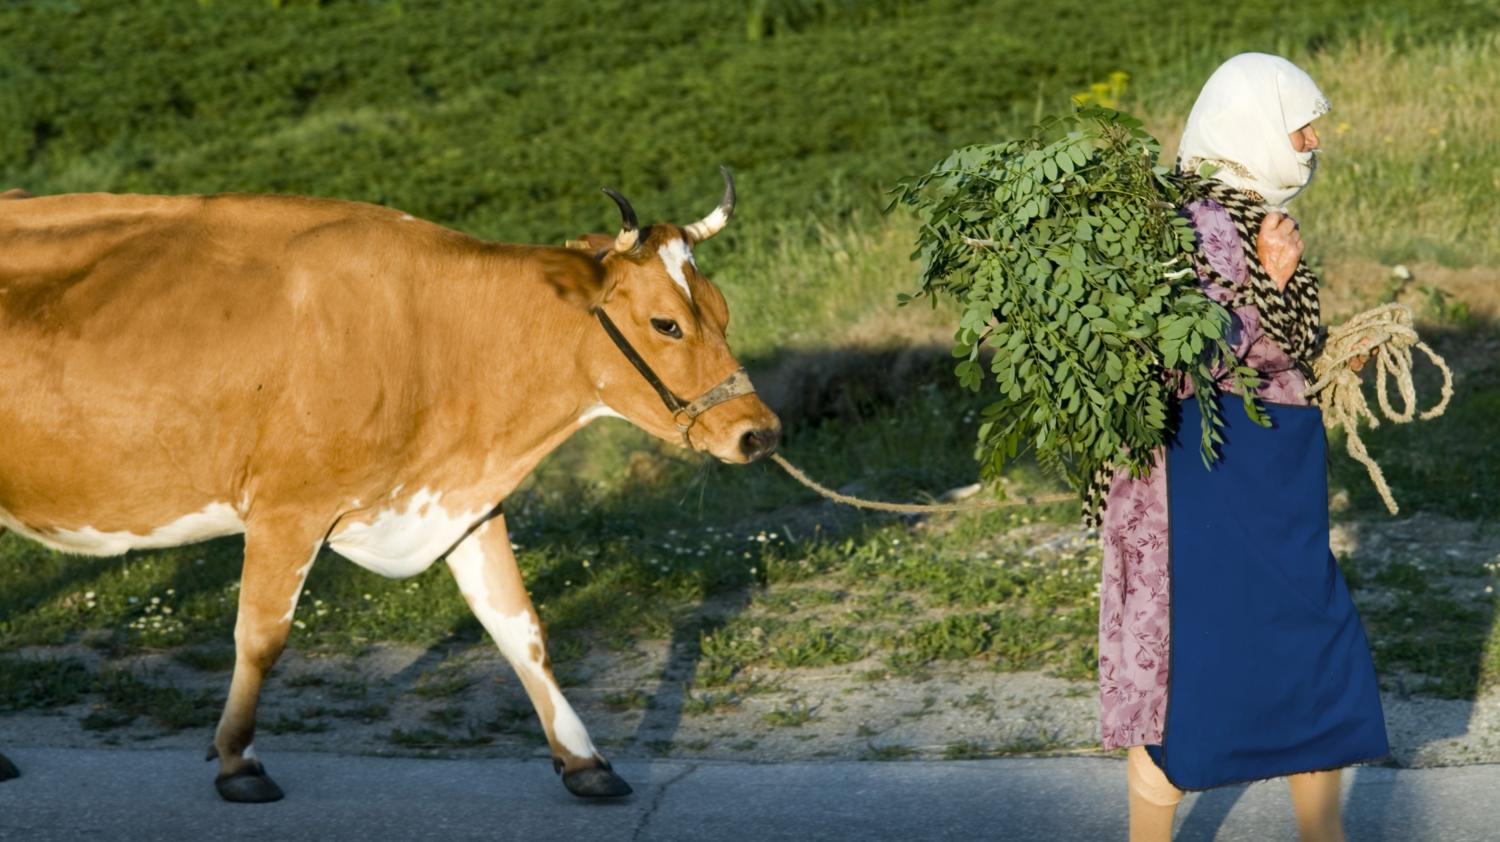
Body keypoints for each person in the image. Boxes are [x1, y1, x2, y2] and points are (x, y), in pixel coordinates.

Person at [1096, 53, 1388, 842]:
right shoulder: (1183, 225)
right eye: (1302, 126)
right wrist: (1272, 279)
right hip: (1204, 482)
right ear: (1252, 125)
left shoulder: (1253, 214)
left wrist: (1307, 324)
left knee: (1312, 658)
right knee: (1199, 674)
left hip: (1272, 479)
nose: (1314, 141)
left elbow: (1281, 351)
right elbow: (1186, 354)